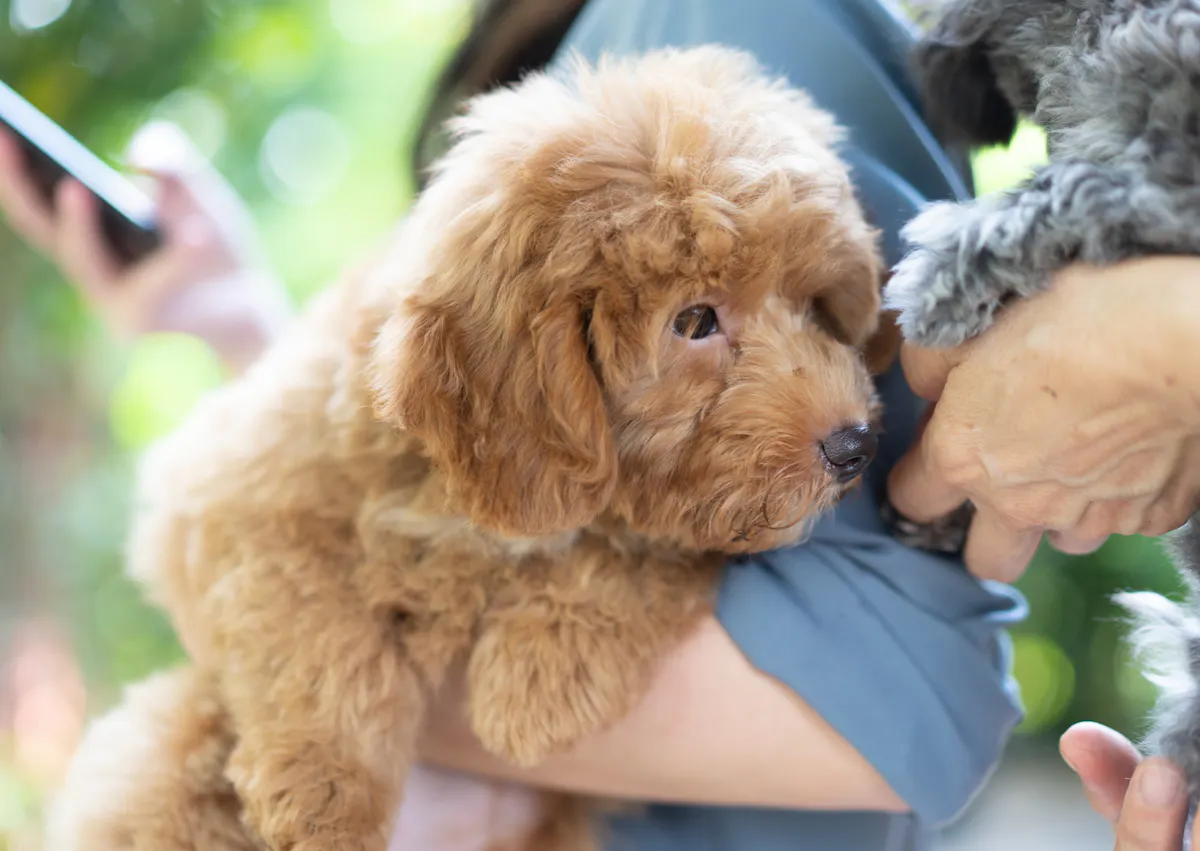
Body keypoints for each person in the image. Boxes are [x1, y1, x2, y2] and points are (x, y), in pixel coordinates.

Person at [2, 1, 1195, 850]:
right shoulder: (576, 107)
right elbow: (487, 464)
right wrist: (248, 331)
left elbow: (915, 702)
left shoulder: (744, 30)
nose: (831, 386)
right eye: (702, 324)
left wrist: (342, 698)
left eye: (805, 312)